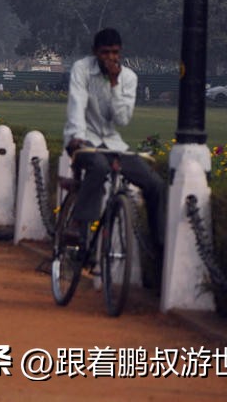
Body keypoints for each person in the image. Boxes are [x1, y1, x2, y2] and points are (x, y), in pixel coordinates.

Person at [63, 28, 164, 251]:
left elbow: (122, 119)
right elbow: (77, 105)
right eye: (105, 52)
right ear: (95, 52)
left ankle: (158, 246)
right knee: (99, 167)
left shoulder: (128, 78)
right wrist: (77, 137)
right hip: (82, 138)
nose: (110, 57)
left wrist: (114, 83)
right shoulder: (82, 69)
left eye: (115, 52)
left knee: (154, 184)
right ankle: (77, 222)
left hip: (113, 143)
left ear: (121, 52)